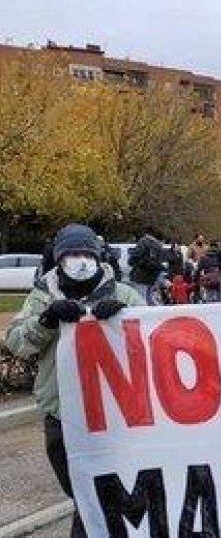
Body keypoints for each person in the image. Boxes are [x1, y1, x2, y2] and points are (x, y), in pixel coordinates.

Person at [4, 224, 144, 537]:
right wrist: (46, 322)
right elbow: (16, 342)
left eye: (85, 253)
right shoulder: (42, 296)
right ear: (59, 258)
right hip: (63, 417)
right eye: (71, 254)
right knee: (79, 490)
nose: (79, 260)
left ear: (97, 256)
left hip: (113, 416)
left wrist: (126, 319)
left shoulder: (123, 294)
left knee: (104, 494)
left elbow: (154, 336)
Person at [127, 229, 168, 304]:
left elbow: (136, 257)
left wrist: (133, 262)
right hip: (149, 277)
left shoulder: (144, 242)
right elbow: (151, 261)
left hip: (141, 276)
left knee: (141, 298)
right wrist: (161, 267)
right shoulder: (156, 246)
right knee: (148, 297)